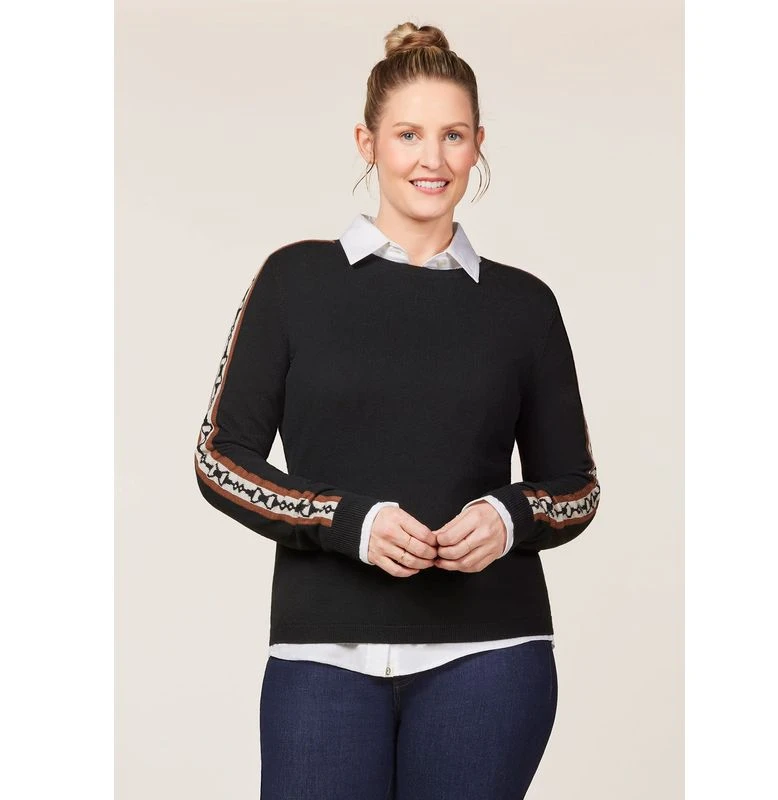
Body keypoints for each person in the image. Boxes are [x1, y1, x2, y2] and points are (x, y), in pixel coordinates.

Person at [194, 21, 601, 800]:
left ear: (478, 145)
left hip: (492, 656)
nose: (431, 159)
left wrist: (510, 517)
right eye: (408, 134)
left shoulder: (523, 305)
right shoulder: (294, 282)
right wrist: (348, 520)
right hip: (323, 653)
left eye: (453, 135)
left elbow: (576, 485)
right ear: (368, 142)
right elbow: (220, 460)